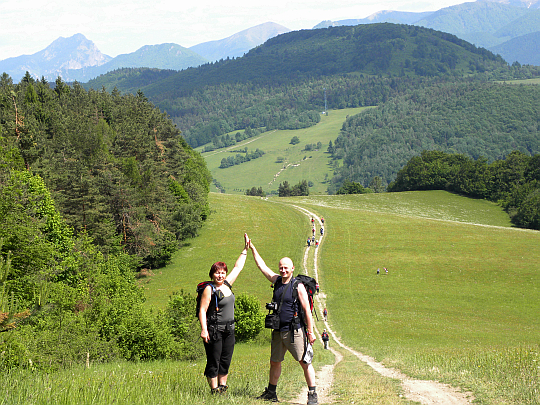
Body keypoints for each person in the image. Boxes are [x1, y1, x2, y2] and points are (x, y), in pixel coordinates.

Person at [248, 238, 318, 405]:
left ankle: (312, 394)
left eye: (286, 268)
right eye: (281, 267)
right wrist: (252, 248)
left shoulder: (297, 286)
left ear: (292, 268)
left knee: (304, 361)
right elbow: (262, 267)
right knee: (275, 362)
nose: (283, 270)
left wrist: (310, 331)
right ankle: (271, 393)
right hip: (278, 331)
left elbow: (307, 311)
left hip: (295, 331)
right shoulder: (277, 281)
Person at [199, 234, 249, 395]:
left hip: (229, 329)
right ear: (212, 274)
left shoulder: (227, 285)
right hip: (215, 329)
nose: (220, 275)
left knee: (226, 360)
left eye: (222, 272)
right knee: (214, 360)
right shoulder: (209, 289)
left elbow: (238, 267)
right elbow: (202, 310)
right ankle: (214, 391)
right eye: (217, 273)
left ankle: (223, 388)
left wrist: (245, 249)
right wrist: (204, 329)